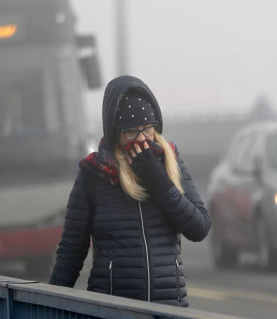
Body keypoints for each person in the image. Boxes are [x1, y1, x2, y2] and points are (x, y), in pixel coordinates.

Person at [49, 75, 211, 307]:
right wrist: (47, 304)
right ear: (115, 133)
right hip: (113, 309)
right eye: (131, 132)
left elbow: (199, 228)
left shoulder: (171, 162)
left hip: (170, 309)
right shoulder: (93, 173)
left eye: (147, 129)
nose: (142, 139)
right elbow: (71, 250)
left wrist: (158, 179)